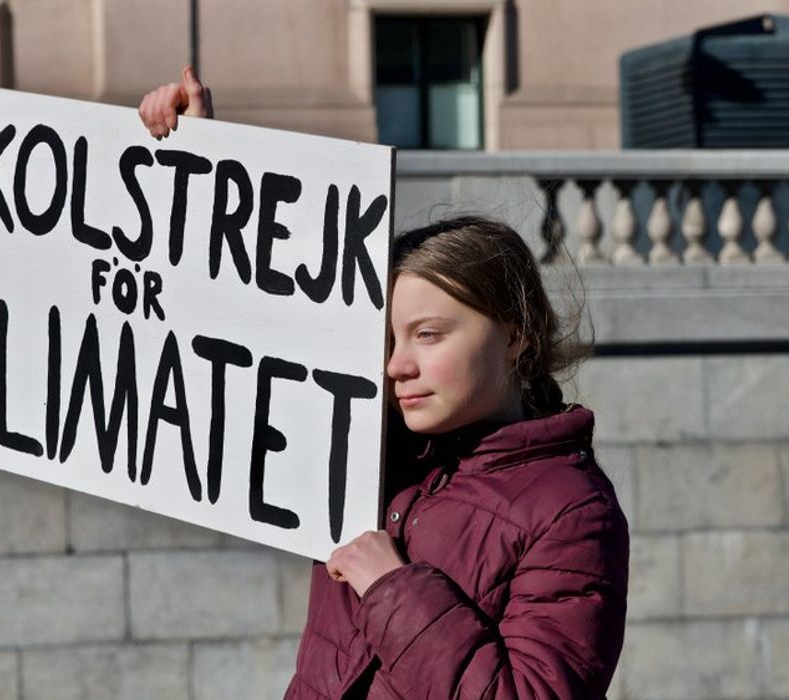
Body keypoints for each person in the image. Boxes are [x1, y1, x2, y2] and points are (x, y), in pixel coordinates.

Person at [139, 68, 630, 699]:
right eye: (389, 341)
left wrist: (392, 587)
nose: (397, 365)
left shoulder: (572, 510)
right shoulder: (366, 445)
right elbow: (244, 343)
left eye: (428, 335)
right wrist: (204, 155)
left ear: (514, 334)